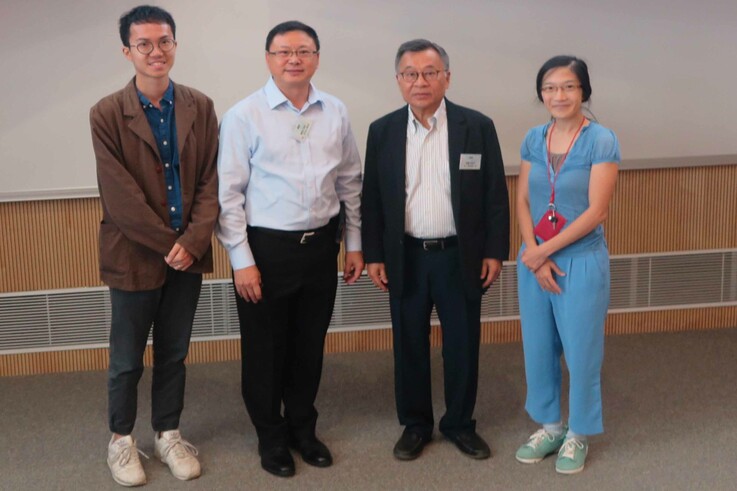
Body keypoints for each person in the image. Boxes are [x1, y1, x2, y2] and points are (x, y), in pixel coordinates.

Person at [216, 21, 363, 478]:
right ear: (268, 59)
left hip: (321, 246)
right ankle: (271, 436)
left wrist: (354, 244)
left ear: (316, 57)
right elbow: (228, 196)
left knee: (307, 344)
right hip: (267, 250)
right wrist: (243, 261)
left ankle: (303, 428)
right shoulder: (245, 115)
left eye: (303, 51)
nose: (293, 59)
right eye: (283, 52)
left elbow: (349, 184)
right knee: (265, 349)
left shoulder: (335, 111)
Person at [361, 39, 510, 461]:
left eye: (430, 72)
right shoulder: (382, 130)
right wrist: (374, 254)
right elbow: (372, 197)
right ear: (398, 81)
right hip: (405, 255)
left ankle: (460, 423)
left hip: (458, 254)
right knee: (409, 343)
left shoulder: (476, 126)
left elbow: (495, 194)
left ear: (447, 76)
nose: (420, 81)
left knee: (462, 342)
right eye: (410, 73)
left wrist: (494, 251)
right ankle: (415, 424)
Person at [89, 4, 218, 487]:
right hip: (134, 255)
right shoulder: (106, 112)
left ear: (175, 45)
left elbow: (210, 181)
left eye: (164, 41)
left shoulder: (200, 106)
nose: (155, 51)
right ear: (128, 51)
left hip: (188, 253)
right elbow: (119, 196)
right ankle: (121, 441)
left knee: (174, 352)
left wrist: (194, 240)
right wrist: (173, 244)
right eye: (144, 43)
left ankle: (168, 432)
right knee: (126, 358)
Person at [514, 55, 620, 474]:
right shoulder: (532, 138)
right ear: (541, 94)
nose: (559, 95)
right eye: (550, 88)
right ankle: (550, 426)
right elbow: (522, 199)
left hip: (579, 261)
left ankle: (578, 434)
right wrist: (532, 253)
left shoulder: (601, 140)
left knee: (581, 351)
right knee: (538, 348)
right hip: (535, 262)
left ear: (584, 92)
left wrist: (544, 251)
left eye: (569, 87)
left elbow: (597, 211)